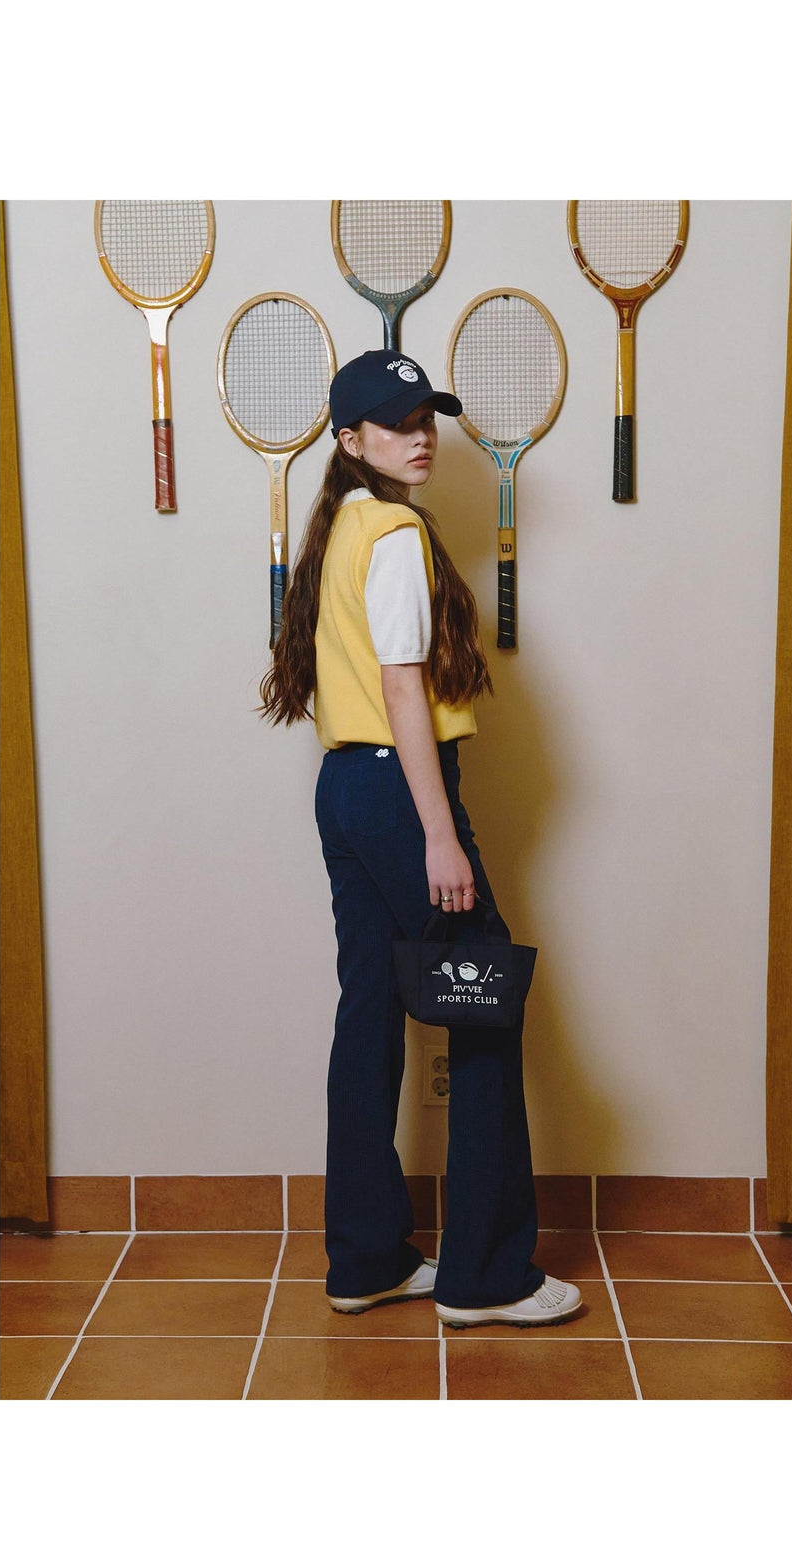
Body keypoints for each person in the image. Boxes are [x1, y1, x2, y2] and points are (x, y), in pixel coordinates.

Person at [258, 349, 582, 1329]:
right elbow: (402, 687)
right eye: (398, 424)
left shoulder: (343, 529)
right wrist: (440, 835)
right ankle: (485, 1275)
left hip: (346, 789)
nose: (422, 436)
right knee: (484, 1008)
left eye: (426, 418)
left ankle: (365, 1257)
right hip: (403, 792)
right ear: (350, 440)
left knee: (370, 1011)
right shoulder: (394, 533)